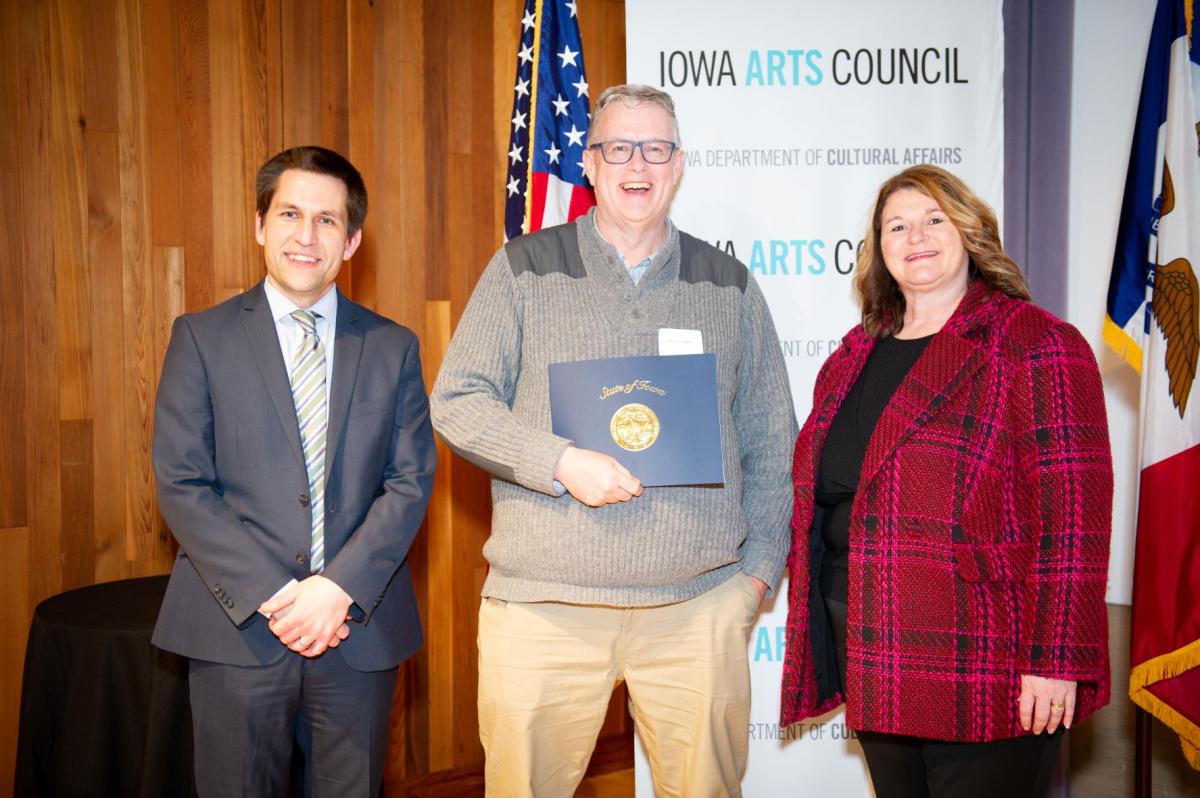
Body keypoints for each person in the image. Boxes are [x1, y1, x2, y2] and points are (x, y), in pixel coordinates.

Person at [431, 84, 797, 797]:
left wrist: (757, 573)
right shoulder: (522, 270)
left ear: (679, 163)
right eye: (617, 148)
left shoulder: (730, 287)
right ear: (590, 165)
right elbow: (457, 401)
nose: (638, 164)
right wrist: (558, 462)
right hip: (544, 608)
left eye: (655, 148)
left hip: (697, 609)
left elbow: (770, 438)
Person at [780, 164, 1113, 797]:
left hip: (985, 649)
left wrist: (1057, 660)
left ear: (970, 231)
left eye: (935, 220)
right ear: (879, 249)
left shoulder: (1036, 343)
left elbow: (1074, 521)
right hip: (870, 637)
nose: (916, 237)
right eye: (896, 226)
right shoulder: (852, 355)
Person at [151, 145, 437, 797]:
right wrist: (281, 598)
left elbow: (410, 480)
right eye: (289, 214)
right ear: (260, 225)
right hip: (240, 628)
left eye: (327, 220)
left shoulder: (393, 347)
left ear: (353, 239)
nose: (306, 236)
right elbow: (182, 482)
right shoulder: (201, 338)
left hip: (355, 631)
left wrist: (336, 591)